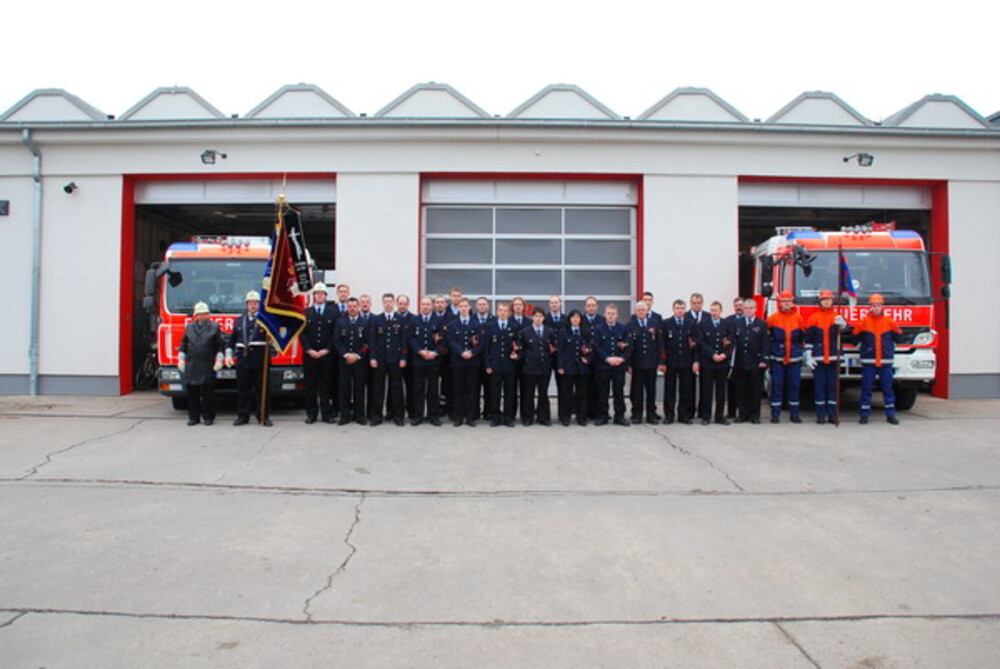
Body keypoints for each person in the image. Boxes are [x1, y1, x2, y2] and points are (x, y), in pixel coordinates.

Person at [854, 293, 904, 425]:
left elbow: (899, 338)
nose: (876, 308)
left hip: (885, 362)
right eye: (873, 305)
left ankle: (890, 415)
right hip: (869, 362)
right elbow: (855, 339)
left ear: (882, 306)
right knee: (866, 389)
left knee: (888, 389)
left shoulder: (890, 322)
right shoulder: (863, 322)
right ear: (870, 307)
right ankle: (864, 415)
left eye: (878, 305)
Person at [227, 290, 273, 427]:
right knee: (243, 389)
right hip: (243, 359)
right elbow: (232, 340)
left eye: (255, 303)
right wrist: (229, 354)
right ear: (247, 305)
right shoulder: (239, 320)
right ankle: (242, 415)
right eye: (250, 303)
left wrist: (272, 340)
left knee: (262, 389)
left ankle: (263, 416)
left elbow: (275, 336)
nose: (253, 306)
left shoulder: (266, 320)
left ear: (259, 305)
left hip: (260, 359)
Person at [805, 289, 848, 424]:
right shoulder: (813, 318)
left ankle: (832, 414)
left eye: (828, 299)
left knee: (833, 387)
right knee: (819, 387)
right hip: (818, 358)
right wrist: (808, 354)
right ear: (820, 302)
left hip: (834, 358)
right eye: (824, 300)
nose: (826, 302)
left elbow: (844, 335)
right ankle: (820, 414)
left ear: (832, 301)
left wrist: (843, 325)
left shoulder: (837, 317)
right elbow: (809, 339)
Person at [178, 301, 225, 426]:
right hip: (192, 365)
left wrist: (219, 360)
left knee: (208, 394)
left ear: (208, 315)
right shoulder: (189, 327)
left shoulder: (214, 327)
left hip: (207, 365)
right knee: (192, 394)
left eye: (204, 314)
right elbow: (184, 344)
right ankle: (194, 417)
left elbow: (220, 345)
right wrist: (181, 358)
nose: (202, 316)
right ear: (195, 315)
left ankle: (208, 417)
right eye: (200, 314)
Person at [766, 291, 807, 423]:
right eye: (784, 301)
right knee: (777, 385)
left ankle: (794, 414)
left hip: (794, 359)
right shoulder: (772, 319)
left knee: (794, 385)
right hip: (777, 358)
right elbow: (767, 338)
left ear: (792, 303)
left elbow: (801, 337)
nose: (786, 304)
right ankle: (775, 414)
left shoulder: (798, 318)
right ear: (780, 303)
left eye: (789, 301)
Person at [301, 283, 338, 424]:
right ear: (314, 296)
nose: (320, 296)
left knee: (326, 386)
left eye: (322, 293)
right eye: (317, 293)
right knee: (310, 386)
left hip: (326, 356)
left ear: (326, 296)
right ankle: (311, 414)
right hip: (310, 355)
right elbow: (302, 333)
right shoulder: (306, 312)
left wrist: (327, 349)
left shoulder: (332, 312)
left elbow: (335, 333)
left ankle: (326, 414)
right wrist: (309, 350)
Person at [368, 293, 408, 426]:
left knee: (396, 389)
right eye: (385, 302)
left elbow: (403, 341)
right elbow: (372, 341)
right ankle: (376, 416)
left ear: (394, 303)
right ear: (382, 303)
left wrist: (403, 357)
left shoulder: (400, 319)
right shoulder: (376, 319)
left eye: (390, 302)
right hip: (380, 359)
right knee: (378, 389)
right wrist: (372, 357)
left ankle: (398, 416)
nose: (388, 304)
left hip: (395, 360)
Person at [730, 298, 769, 424]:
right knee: (741, 390)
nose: (748, 310)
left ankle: (755, 415)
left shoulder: (761, 324)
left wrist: (764, 359)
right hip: (740, 362)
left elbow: (765, 344)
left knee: (755, 390)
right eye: (746, 308)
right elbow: (734, 342)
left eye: (751, 308)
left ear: (756, 309)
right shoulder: (737, 323)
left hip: (755, 362)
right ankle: (742, 414)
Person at [446, 298, 483, 427]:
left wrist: (472, 353)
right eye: (461, 306)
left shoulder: (476, 324)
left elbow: (480, 342)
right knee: (458, 390)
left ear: (469, 308)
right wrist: (461, 352)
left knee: (472, 390)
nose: (463, 308)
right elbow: (451, 342)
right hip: (458, 362)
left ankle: (470, 417)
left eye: (465, 306)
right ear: (458, 308)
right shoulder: (452, 325)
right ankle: (458, 417)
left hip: (473, 362)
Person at [409, 297, 446, 426]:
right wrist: (420, 351)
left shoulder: (439, 321)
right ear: (420, 306)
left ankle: (433, 416)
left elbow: (443, 341)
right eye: (423, 304)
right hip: (419, 360)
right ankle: (418, 415)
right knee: (418, 389)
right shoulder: (414, 320)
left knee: (433, 389)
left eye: (428, 304)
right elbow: (411, 339)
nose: (425, 306)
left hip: (433, 361)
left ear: (432, 306)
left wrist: (435, 352)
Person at [593, 304, 632, 427]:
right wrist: (607, 358)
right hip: (603, 366)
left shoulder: (623, 328)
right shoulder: (599, 329)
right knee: (603, 392)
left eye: (613, 313)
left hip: (618, 366)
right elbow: (597, 346)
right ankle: (602, 416)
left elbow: (628, 346)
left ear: (617, 315)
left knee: (619, 392)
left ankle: (619, 417)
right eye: (608, 313)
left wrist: (621, 359)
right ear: (605, 314)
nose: (611, 316)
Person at [334, 297, 370, 425]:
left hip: (359, 361)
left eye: (354, 306)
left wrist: (358, 355)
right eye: (350, 306)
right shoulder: (340, 321)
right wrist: (345, 354)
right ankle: (345, 415)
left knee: (359, 388)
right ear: (347, 307)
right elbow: (336, 341)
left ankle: (359, 415)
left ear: (359, 307)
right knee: (344, 389)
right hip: (344, 361)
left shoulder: (365, 322)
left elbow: (367, 343)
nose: (352, 308)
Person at [484, 302, 519, 427]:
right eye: (500, 310)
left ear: (509, 313)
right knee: (495, 392)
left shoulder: (514, 326)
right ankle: (495, 417)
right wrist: (487, 364)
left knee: (510, 392)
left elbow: (518, 344)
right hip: (495, 365)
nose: (503, 312)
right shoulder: (490, 326)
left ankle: (508, 417)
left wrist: (517, 354)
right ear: (497, 312)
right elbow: (486, 347)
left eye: (505, 310)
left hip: (509, 365)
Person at [662, 299, 697, 424]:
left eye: (682, 308)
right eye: (677, 308)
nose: (680, 310)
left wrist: (695, 361)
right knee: (669, 390)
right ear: (673, 309)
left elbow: (694, 344)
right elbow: (662, 344)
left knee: (685, 390)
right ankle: (669, 415)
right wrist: (662, 362)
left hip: (686, 362)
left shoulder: (691, 323)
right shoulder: (666, 323)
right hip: (671, 362)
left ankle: (683, 415)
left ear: (685, 309)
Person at [628, 300, 663, 424]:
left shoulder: (654, 324)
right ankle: (636, 414)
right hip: (637, 364)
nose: (641, 312)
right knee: (637, 391)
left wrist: (661, 362)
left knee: (651, 390)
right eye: (639, 310)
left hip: (651, 363)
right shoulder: (630, 325)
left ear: (647, 310)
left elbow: (659, 344)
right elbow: (629, 347)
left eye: (643, 310)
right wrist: (628, 364)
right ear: (635, 312)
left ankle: (651, 415)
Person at [697, 301, 731, 426]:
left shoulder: (726, 324)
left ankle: (719, 416)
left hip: (722, 363)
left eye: (716, 310)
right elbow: (701, 342)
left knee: (721, 391)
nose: (713, 313)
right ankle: (706, 416)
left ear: (721, 311)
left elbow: (730, 342)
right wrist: (712, 354)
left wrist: (724, 355)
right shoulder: (703, 324)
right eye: (712, 310)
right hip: (708, 363)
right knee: (706, 390)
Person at [520, 309, 556, 426]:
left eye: (540, 316)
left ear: (544, 318)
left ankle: (543, 417)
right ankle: (528, 417)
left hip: (544, 366)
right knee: (528, 393)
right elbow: (522, 349)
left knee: (543, 393)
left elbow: (553, 347)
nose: (538, 318)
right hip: (530, 366)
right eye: (536, 316)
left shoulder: (549, 331)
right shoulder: (525, 331)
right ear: (532, 317)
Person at [557, 310, 593, 426]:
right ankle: (565, 417)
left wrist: (588, 359)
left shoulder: (586, 332)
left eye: (577, 317)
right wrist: (560, 366)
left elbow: (592, 348)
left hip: (582, 368)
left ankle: (581, 417)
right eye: (573, 317)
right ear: (570, 319)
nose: (575, 320)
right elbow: (560, 351)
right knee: (566, 393)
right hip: (568, 367)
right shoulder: (563, 332)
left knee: (582, 393)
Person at [544, 295, 569, 423]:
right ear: (549, 305)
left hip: (562, 359)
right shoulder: (544, 319)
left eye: (556, 302)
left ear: (560, 304)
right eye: (552, 302)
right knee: (544, 388)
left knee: (563, 389)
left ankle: (564, 416)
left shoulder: (566, 319)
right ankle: (545, 416)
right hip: (547, 358)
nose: (554, 305)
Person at [581, 296, 604, 419]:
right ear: (585, 307)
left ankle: (598, 412)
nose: (591, 307)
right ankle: (584, 412)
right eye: (589, 305)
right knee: (584, 387)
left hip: (598, 359)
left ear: (597, 307)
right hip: (584, 359)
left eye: (593, 305)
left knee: (599, 386)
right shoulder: (580, 320)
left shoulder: (602, 320)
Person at [396, 294, 417, 420]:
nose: (402, 306)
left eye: (404, 304)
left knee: (411, 386)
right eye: (400, 303)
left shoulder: (414, 319)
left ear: (408, 305)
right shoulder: (392, 318)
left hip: (410, 358)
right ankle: (394, 412)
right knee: (395, 386)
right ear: (397, 304)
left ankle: (412, 411)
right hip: (395, 358)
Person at [724, 297, 746, 418]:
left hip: (745, 358)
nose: (738, 307)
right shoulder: (728, 321)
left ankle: (743, 412)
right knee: (731, 386)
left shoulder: (748, 320)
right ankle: (731, 412)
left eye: (741, 305)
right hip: (731, 358)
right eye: (736, 305)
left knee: (743, 387)